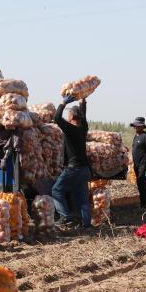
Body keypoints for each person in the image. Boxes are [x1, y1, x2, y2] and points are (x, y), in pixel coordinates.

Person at [52, 95, 91, 227]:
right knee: (83, 199)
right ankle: (87, 225)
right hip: (85, 169)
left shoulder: (70, 129)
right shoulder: (83, 128)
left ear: (71, 116)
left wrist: (63, 103)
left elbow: (56, 118)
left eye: (68, 114)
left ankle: (65, 216)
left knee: (56, 190)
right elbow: (84, 116)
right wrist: (83, 102)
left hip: (74, 168)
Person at [130, 117, 146, 209]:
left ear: (142, 126)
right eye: (135, 126)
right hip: (136, 164)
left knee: (142, 183)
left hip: (143, 164)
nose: (136, 128)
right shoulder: (136, 136)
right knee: (141, 184)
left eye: (137, 126)